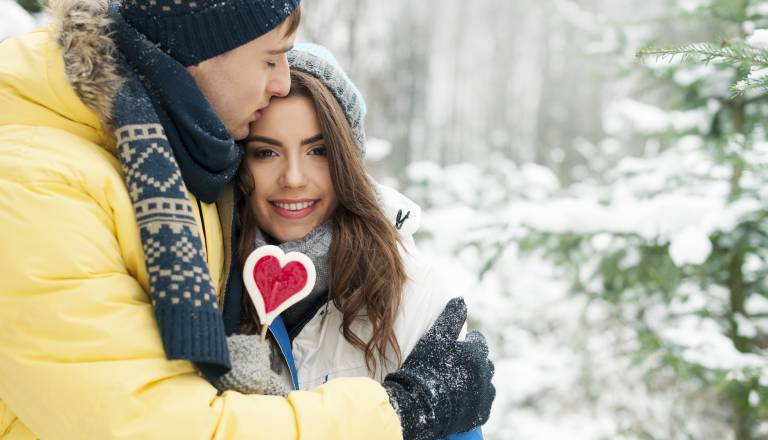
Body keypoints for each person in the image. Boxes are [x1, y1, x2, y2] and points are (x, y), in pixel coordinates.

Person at [0, 0, 495, 439]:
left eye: (319, 151)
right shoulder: (36, 187)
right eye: (270, 57)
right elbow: (159, 425)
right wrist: (399, 414)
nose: (281, 81)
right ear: (204, 50)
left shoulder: (165, 164)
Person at [215, 43, 492, 440]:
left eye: (318, 151)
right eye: (266, 152)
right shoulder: (206, 274)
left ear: (347, 159)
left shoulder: (414, 291)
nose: (293, 177)